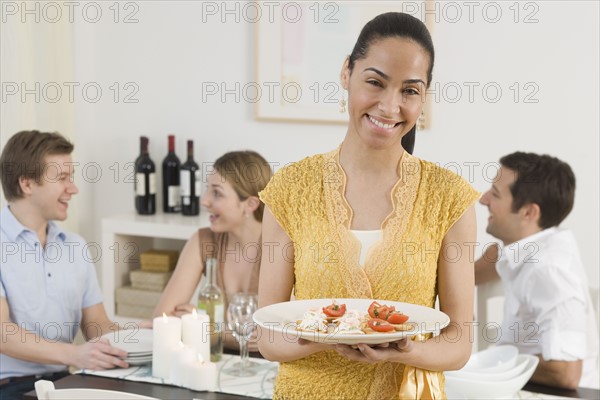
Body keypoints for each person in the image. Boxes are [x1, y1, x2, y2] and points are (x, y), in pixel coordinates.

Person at [257, 12, 480, 399]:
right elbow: (268, 335)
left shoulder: (450, 198)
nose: (390, 107)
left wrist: (406, 350)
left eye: (409, 91)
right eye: (375, 82)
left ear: (423, 96)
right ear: (347, 73)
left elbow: (458, 342)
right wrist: (325, 337)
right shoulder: (290, 189)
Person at [0, 130, 129, 400]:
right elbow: (3, 334)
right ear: (27, 184)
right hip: (10, 387)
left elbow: (96, 326)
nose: (73, 188)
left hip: (65, 381)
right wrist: (75, 354)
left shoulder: (75, 246)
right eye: (62, 178)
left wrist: (138, 335)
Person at [475, 151, 599, 389]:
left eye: (496, 194)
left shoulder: (549, 271)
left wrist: (493, 362)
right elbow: (481, 267)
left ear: (529, 213)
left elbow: (566, 372)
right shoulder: (529, 244)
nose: (483, 199)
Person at [153, 151, 272, 350]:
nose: (204, 201)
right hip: (212, 360)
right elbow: (163, 320)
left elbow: (278, 335)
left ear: (250, 204)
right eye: (208, 190)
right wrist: (233, 335)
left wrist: (202, 326)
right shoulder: (203, 241)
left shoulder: (281, 248)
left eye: (217, 193)